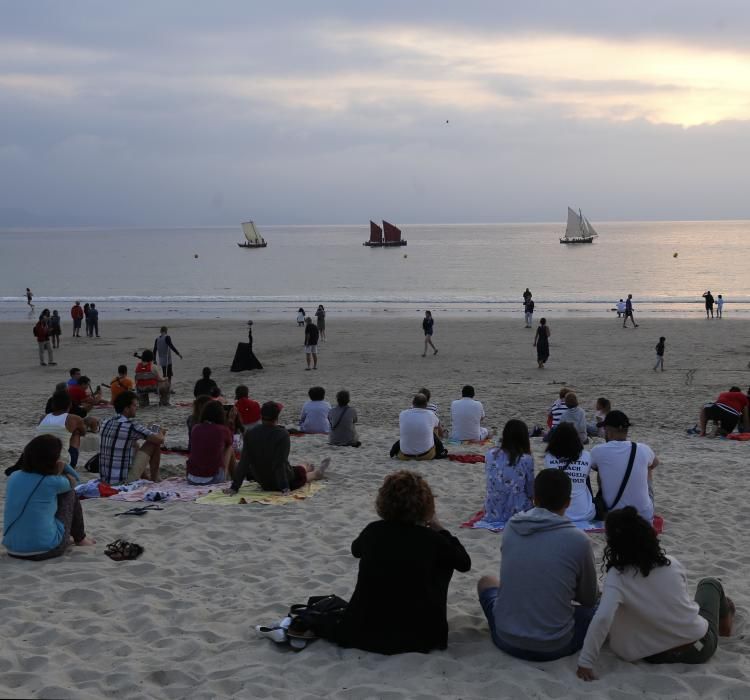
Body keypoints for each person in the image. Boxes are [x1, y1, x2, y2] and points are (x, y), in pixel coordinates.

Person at [577, 507, 735, 681]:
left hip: (655, 655)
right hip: (698, 648)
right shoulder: (673, 564)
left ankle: (724, 615)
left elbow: (602, 618)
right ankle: (725, 626)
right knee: (709, 583)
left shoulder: (617, 577)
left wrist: (586, 662)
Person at [335, 471, 471, 654]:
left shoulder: (373, 531)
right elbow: (464, 563)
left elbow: (355, 550)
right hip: (421, 639)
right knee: (444, 558)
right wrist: (441, 529)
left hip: (363, 633)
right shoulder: (433, 540)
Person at [478, 469, 597, 661]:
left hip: (505, 637)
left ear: (535, 498)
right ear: (568, 502)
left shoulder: (512, 527)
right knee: (600, 606)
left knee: (486, 582)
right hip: (555, 645)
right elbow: (589, 598)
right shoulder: (578, 540)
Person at [3, 435, 95, 560]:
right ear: (52, 459)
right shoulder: (53, 482)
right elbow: (76, 481)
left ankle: (59, 535)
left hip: (13, 549)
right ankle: (81, 538)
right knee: (70, 493)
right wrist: (64, 466)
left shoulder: (14, 476)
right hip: (46, 550)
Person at [225, 401, 329, 495]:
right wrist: (284, 487)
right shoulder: (282, 434)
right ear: (277, 417)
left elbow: (244, 462)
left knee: (296, 469)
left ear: (261, 416)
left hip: (262, 480)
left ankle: (307, 467)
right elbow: (279, 464)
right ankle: (315, 473)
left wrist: (235, 487)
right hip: (280, 480)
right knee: (299, 474)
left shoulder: (250, 433)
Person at [589, 410, 658, 522]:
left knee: (600, 467)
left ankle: (608, 500)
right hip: (644, 516)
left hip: (613, 515)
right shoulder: (642, 448)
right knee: (648, 466)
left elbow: (589, 466)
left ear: (608, 431)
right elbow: (655, 463)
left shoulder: (598, 451)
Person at [98, 390, 166, 484]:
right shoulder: (131, 425)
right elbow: (160, 440)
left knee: (135, 444)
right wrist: (161, 431)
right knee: (154, 442)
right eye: (134, 405)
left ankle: (146, 477)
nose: (136, 408)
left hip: (105, 478)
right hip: (122, 481)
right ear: (126, 408)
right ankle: (155, 479)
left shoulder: (106, 421)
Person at [483, 419, 534, 523]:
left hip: (493, 509)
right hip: (517, 512)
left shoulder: (490, 454)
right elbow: (530, 490)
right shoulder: (526, 459)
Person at [544, 422, 595, 522]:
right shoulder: (586, 456)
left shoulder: (549, 457)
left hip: (558, 514)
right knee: (584, 477)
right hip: (584, 514)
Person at [187, 399, 235, 485]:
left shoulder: (195, 428)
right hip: (212, 479)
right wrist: (231, 422)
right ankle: (235, 477)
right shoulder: (222, 430)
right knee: (229, 448)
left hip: (191, 478)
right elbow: (230, 441)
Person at [36, 390, 87, 468]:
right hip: (61, 464)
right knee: (76, 433)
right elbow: (83, 432)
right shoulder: (74, 418)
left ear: (53, 405)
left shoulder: (43, 417)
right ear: (70, 405)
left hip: (38, 461)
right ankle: (72, 465)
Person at [395, 393, 441, 460]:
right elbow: (438, 427)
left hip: (405, 456)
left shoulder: (403, 414)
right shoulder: (431, 414)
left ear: (412, 403)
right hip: (426, 455)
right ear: (426, 405)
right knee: (435, 428)